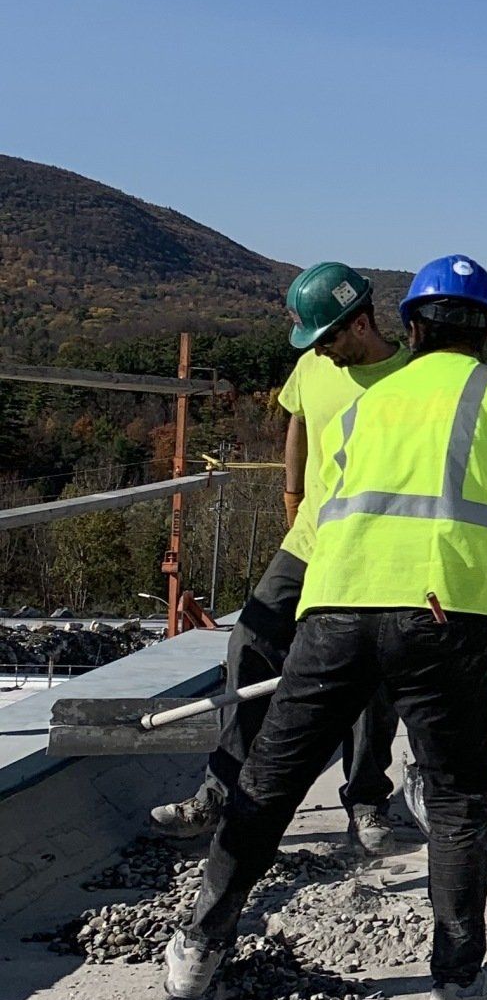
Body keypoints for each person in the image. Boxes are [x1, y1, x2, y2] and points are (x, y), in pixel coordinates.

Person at [162, 254, 487, 1000]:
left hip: (334, 609)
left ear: (411, 326)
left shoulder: (369, 401)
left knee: (268, 782)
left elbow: (332, 505)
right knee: (457, 801)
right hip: (438, 617)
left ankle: (200, 946)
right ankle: (456, 986)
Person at [150, 262, 409, 854]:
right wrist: (292, 498)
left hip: (377, 555)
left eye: (328, 339)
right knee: (251, 642)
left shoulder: (412, 378)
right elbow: (297, 419)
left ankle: (367, 800)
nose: (320, 352)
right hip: (312, 541)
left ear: (362, 324)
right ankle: (219, 791)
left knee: (371, 674)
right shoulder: (314, 364)